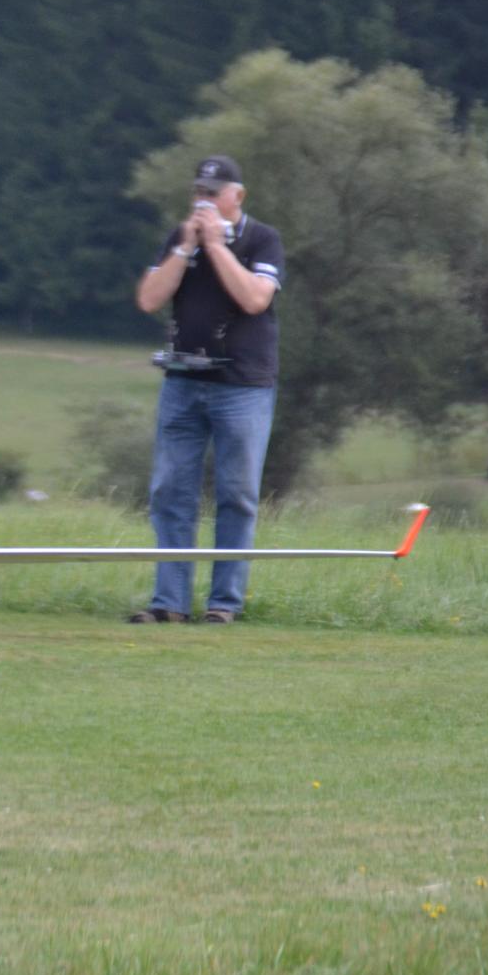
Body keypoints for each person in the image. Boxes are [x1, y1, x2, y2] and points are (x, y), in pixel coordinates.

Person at [130, 155, 285, 624]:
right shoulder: (180, 238)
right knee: (170, 491)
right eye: (199, 192)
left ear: (238, 195)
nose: (205, 201)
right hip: (183, 382)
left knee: (236, 494)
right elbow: (149, 299)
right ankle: (169, 603)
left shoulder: (262, 239)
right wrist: (185, 248)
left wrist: (216, 246)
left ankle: (224, 604)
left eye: (214, 193)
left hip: (242, 386)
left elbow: (255, 299)